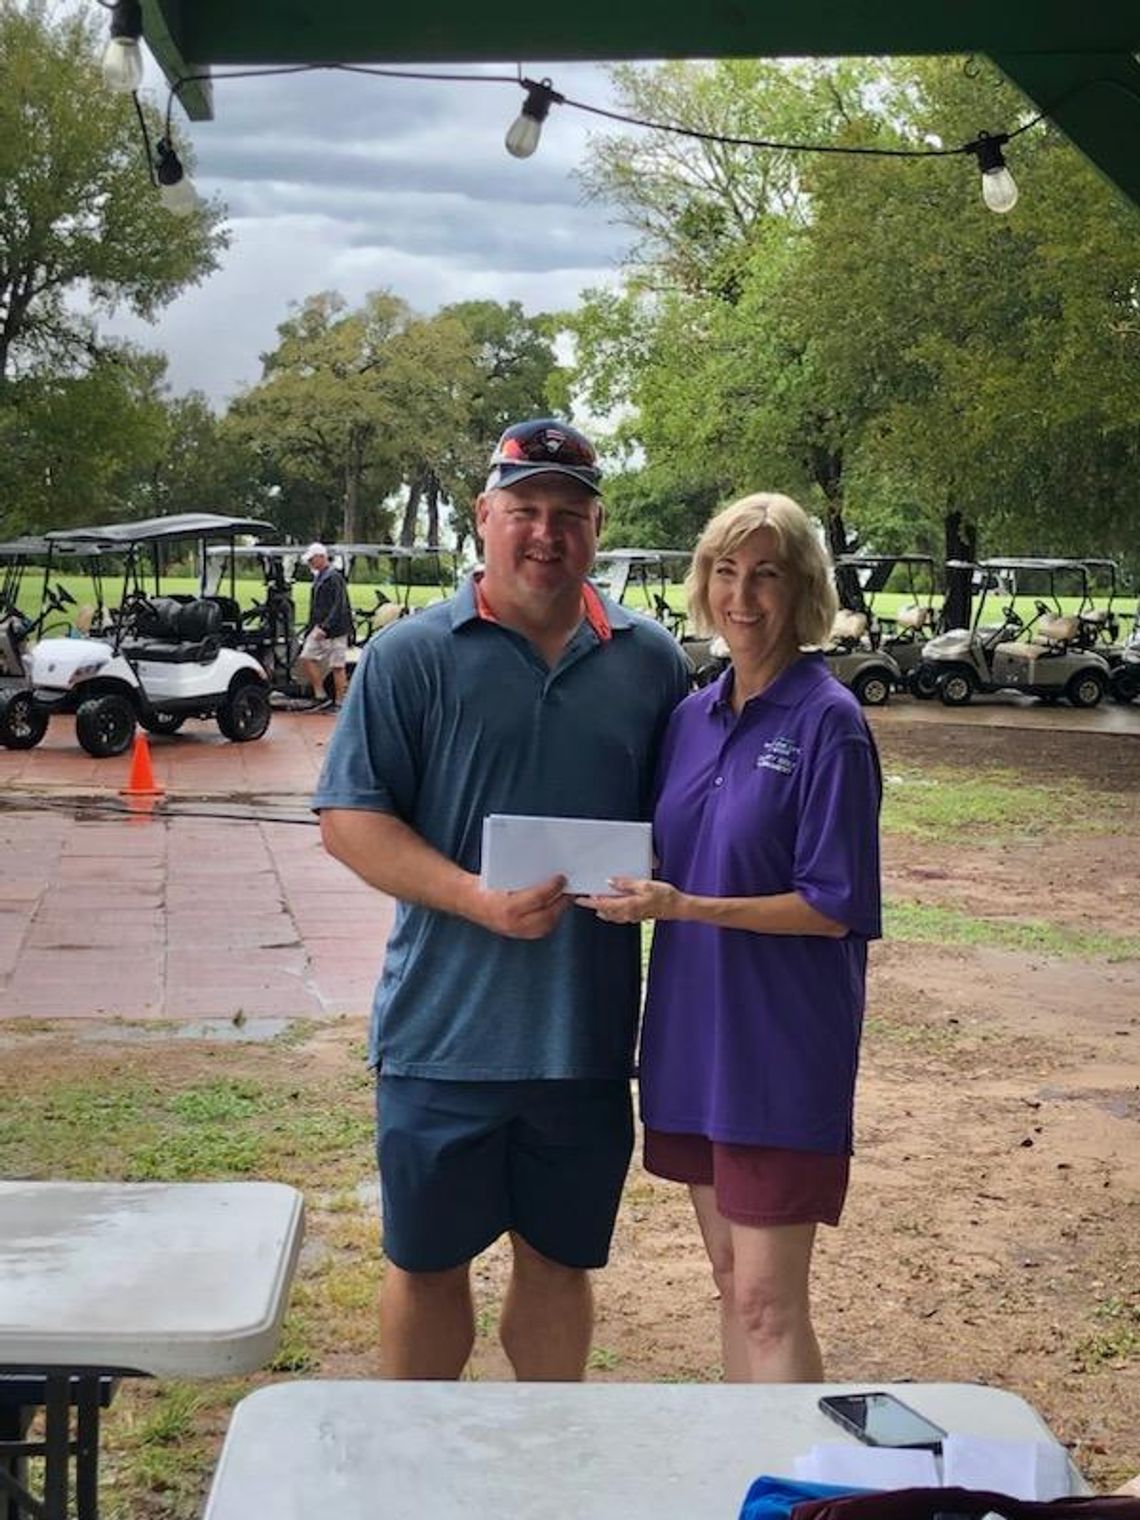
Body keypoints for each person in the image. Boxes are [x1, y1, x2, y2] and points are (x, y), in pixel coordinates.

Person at [311, 419, 691, 1381]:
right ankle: (415, 1471)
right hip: (442, 1037)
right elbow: (351, 818)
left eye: (570, 514)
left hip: (585, 1040)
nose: (545, 534)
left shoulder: (652, 663)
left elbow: (685, 826)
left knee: (559, 1265)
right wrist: (475, 899)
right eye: (524, 511)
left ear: (598, 527)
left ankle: (543, 1466)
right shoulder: (411, 655)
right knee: (427, 1265)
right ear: (484, 518)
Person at [581, 491, 882, 1383]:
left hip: (780, 1048)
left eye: (766, 575)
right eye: (725, 571)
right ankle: (747, 1484)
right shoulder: (689, 716)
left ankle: (802, 1502)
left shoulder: (829, 722)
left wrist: (685, 906)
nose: (741, 596)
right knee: (727, 1282)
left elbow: (833, 905)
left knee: (767, 1300)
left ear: (804, 593)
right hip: (691, 1037)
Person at [299, 541, 352, 710]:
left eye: (312, 560)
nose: (310, 564)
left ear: (321, 557)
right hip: (320, 627)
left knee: (337, 665)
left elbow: (339, 605)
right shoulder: (320, 577)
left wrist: (326, 626)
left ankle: (340, 701)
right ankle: (320, 694)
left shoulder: (334, 577)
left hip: (334, 629)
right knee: (306, 657)